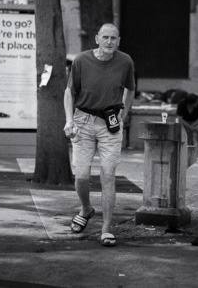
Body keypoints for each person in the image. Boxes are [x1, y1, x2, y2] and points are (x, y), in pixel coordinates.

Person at [63, 23, 135, 247]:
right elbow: (69, 91)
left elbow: (130, 89)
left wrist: (124, 113)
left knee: (108, 175)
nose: (109, 42)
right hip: (83, 121)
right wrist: (69, 120)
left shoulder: (125, 61)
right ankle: (86, 209)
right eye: (105, 37)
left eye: (113, 38)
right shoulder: (81, 60)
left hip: (110, 124)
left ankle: (106, 229)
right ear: (97, 39)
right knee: (81, 176)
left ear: (119, 41)